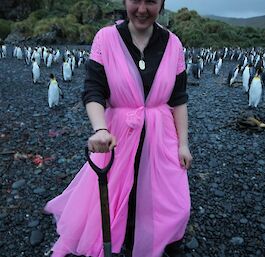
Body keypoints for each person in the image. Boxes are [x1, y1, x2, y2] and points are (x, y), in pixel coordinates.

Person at [44, 0, 192, 256]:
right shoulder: (106, 38)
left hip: (161, 135)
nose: (142, 9)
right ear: (125, 1)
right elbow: (94, 89)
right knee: (121, 194)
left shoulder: (174, 44)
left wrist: (183, 144)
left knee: (174, 201)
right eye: (136, 0)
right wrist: (100, 129)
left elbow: (178, 99)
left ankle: (159, 240)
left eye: (152, 1)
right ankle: (125, 237)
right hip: (118, 135)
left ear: (162, 3)